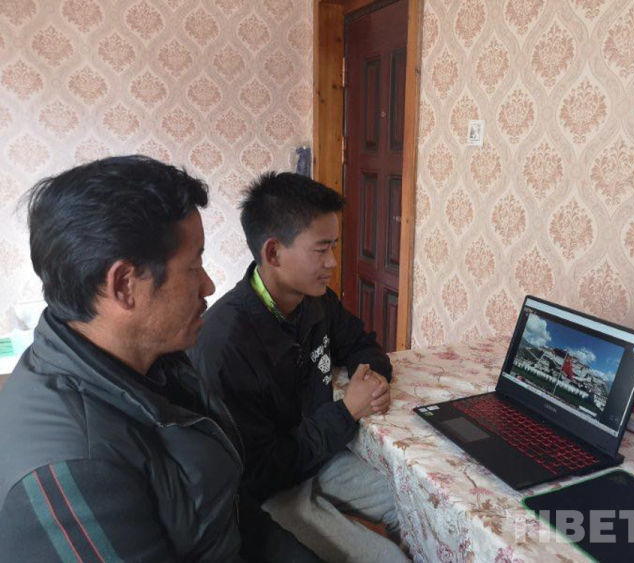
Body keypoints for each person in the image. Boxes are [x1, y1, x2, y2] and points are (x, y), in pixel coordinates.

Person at [0, 156, 319, 562]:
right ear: (125, 285)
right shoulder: (75, 465)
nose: (209, 285)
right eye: (195, 265)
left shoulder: (155, 360)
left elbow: (225, 509)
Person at [188, 172, 407, 562]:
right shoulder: (225, 345)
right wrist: (347, 410)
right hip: (268, 490)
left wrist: (370, 376)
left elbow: (361, 343)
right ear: (273, 253)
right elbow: (259, 470)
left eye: (333, 247)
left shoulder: (315, 300)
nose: (333, 262)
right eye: (321, 250)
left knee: (418, 507)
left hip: (322, 455)